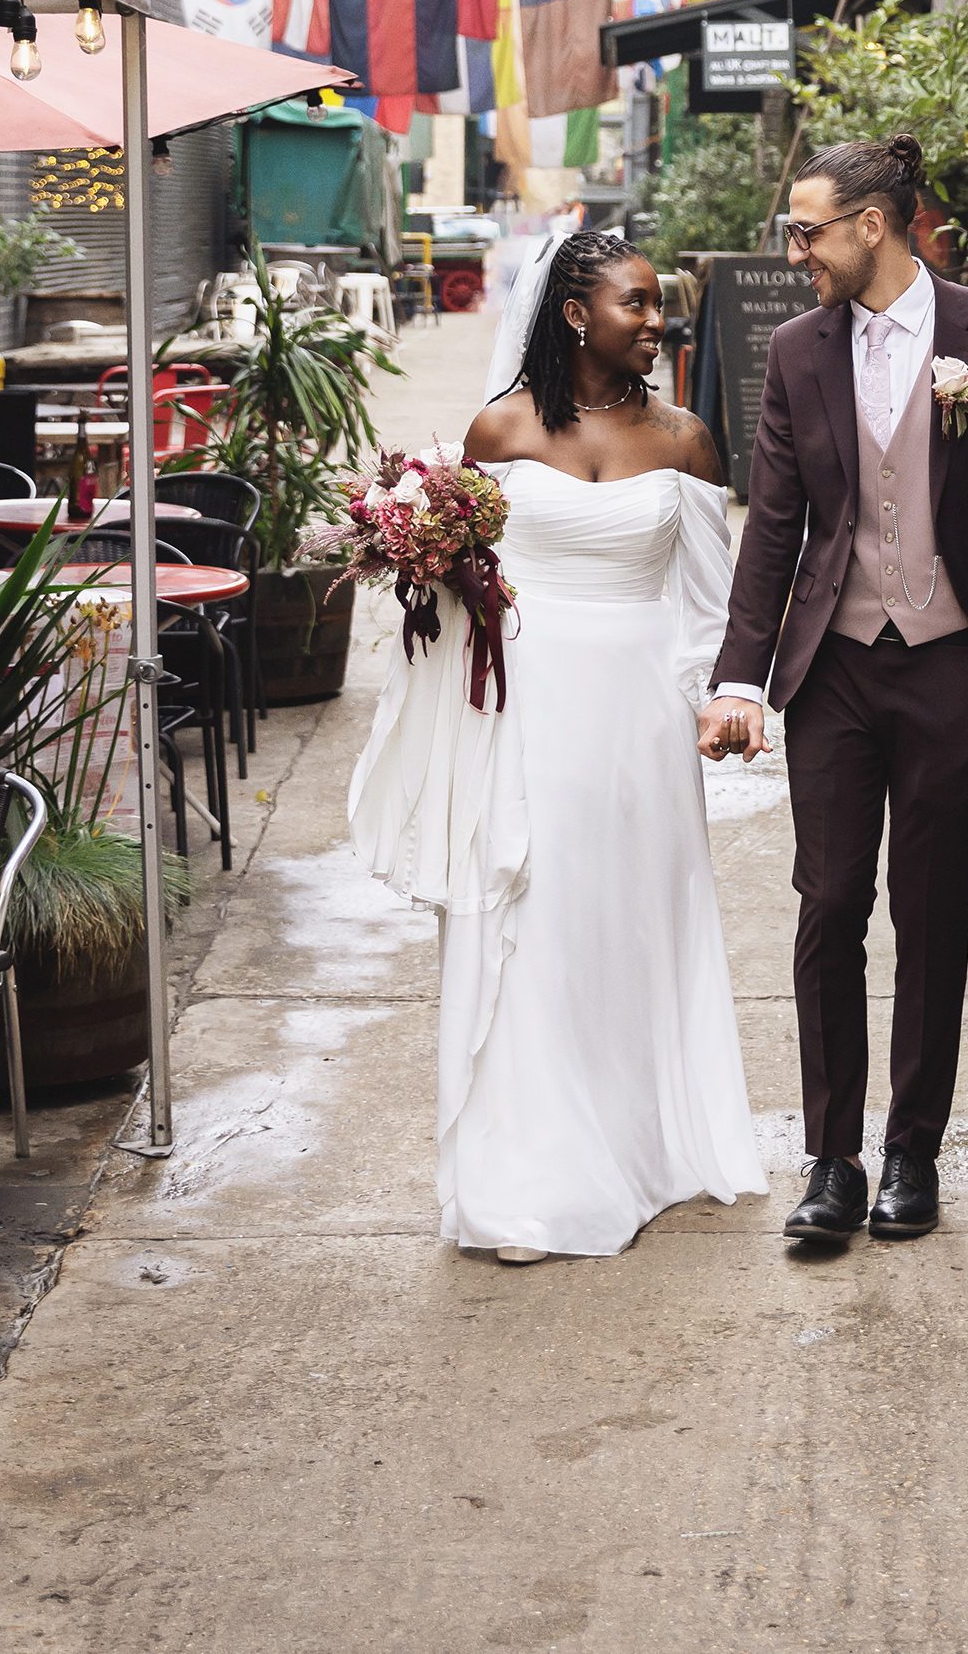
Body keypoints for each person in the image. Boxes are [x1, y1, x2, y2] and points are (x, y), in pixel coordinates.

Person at [348, 226, 767, 1261]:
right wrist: (423, 557)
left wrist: (721, 701)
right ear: (577, 313)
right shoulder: (498, 429)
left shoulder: (687, 440)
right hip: (529, 705)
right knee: (534, 920)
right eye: (637, 301)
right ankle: (529, 1172)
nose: (657, 318)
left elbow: (711, 603)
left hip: (638, 716)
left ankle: (644, 1140)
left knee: (630, 918)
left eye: (658, 300)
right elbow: (468, 590)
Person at [701, 136, 968, 1245]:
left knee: (931, 912)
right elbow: (775, 525)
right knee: (828, 906)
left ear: (873, 224)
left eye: (807, 229)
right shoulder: (800, 348)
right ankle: (832, 1158)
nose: (794, 249)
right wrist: (738, 674)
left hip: (956, 668)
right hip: (837, 669)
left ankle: (914, 1148)